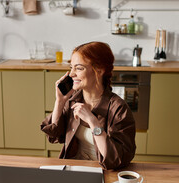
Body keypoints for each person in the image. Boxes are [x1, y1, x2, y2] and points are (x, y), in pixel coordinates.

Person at [41, 41, 136, 170]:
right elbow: (54, 136)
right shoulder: (73, 100)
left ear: (99, 70)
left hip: (103, 171)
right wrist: (60, 101)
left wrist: (93, 122)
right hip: (73, 167)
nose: (71, 74)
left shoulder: (118, 108)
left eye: (79, 68)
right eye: (71, 67)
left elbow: (116, 159)